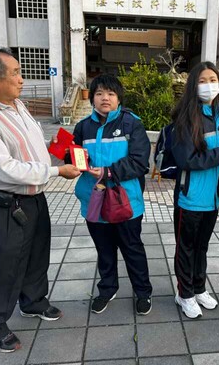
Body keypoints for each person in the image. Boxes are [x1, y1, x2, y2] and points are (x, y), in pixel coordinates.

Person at [0, 46, 81, 353]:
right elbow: (5, 168)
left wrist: (54, 148)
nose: (21, 79)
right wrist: (55, 171)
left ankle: (33, 301)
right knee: (2, 263)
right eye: (14, 73)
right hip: (3, 203)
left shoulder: (17, 105)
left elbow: (29, 146)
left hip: (33, 198)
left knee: (36, 254)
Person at [71, 74, 153, 315]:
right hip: (94, 200)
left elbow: (139, 163)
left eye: (110, 93)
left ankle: (143, 292)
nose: (104, 98)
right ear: (92, 98)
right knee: (104, 250)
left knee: (132, 249)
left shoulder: (132, 124)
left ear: (118, 98)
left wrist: (108, 171)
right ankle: (107, 289)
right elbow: (76, 156)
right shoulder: (83, 126)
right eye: (99, 93)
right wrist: (66, 155)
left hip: (125, 201)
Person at [171, 62, 219, 318]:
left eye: (213, 79)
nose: (209, 85)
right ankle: (184, 294)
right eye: (202, 80)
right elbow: (188, 160)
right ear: (193, 86)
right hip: (190, 197)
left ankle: (198, 288)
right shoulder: (185, 119)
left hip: (213, 197)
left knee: (202, 247)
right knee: (185, 248)